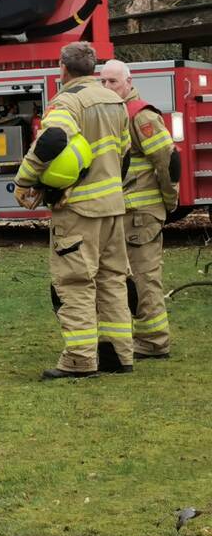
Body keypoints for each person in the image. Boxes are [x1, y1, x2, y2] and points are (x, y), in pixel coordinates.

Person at [13, 41, 133, 379]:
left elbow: (52, 139)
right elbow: (123, 155)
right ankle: (119, 354)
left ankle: (80, 360)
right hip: (113, 208)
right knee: (112, 280)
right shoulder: (115, 100)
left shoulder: (68, 101)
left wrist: (25, 181)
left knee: (76, 282)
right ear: (93, 69)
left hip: (79, 210)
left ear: (62, 68)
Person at [100, 59, 180, 359]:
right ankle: (140, 337)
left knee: (145, 278)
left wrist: (170, 203)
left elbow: (167, 161)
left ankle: (155, 341)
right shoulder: (114, 113)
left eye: (113, 82)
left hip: (141, 216)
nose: (107, 86)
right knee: (125, 278)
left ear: (129, 82)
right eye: (103, 82)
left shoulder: (141, 115)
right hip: (124, 214)